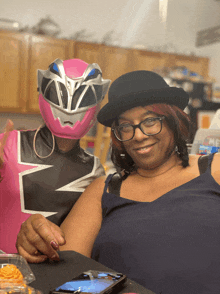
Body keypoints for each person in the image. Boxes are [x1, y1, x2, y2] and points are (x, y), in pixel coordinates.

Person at [17, 70, 220, 293]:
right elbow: (64, 273)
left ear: (173, 120)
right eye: (125, 126)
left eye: (150, 120)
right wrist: (36, 239)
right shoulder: (103, 190)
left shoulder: (214, 169)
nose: (139, 135)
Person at [0, 58, 110, 258]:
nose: (69, 108)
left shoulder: (94, 170)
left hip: (56, 275)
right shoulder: (8, 144)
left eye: (83, 97)